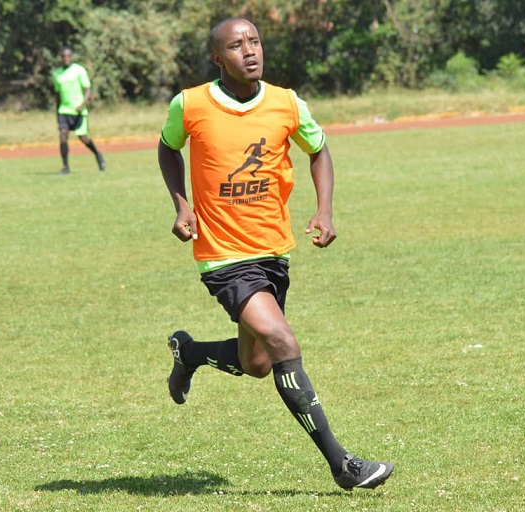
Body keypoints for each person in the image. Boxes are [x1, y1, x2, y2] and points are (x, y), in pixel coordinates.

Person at [158, 17, 394, 491]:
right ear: (216, 58)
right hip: (223, 255)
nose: (250, 51)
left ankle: (191, 353)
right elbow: (167, 149)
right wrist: (182, 203)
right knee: (284, 342)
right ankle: (344, 466)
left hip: (272, 249)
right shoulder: (190, 104)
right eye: (236, 45)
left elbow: (319, 149)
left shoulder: (287, 103)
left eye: (255, 41)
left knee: (259, 363)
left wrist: (324, 210)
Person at [52, 47, 105, 175]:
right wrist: (57, 111)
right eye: (63, 56)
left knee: (83, 138)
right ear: (61, 57)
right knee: (63, 135)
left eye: (68, 56)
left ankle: (98, 154)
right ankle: (65, 166)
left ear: (71, 57)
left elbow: (87, 89)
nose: (66, 59)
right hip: (64, 110)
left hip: (78, 110)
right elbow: (58, 94)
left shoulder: (79, 70)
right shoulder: (57, 74)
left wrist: (83, 104)